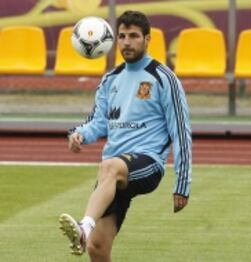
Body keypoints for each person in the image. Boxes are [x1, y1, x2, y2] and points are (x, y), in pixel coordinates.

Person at [58, 10, 192, 261]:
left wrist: (182, 184)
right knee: (97, 249)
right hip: (113, 172)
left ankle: (83, 226)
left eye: (133, 36)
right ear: (115, 39)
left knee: (108, 167)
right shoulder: (110, 79)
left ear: (147, 39)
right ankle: (88, 232)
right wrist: (78, 135)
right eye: (122, 36)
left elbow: (181, 133)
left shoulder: (164, 78)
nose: (127, 42)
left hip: (147, 162)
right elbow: (97, 122)